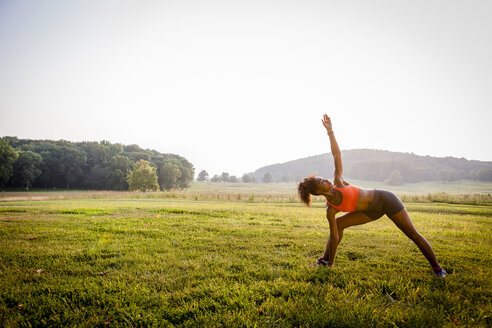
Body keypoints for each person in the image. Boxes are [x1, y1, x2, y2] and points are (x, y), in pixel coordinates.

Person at [297, 114, 446, 277]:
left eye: (324, 178)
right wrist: (332, 261)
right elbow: (334, 236)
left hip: (386, 200)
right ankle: (326, 261)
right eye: (322, 181)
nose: (326, 179)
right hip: (371, 211)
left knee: (412, 234)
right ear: (319, 192)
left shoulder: (338, 182)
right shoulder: (330, 210)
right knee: (338, 225)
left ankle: (437, 268)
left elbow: (337, 155)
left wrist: (330, 132)